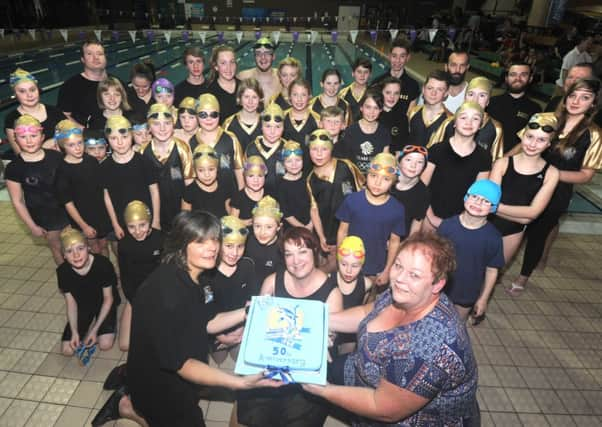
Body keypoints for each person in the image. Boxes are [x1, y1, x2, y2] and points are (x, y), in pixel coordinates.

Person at [91, 211, 280, 427]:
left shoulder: (196, 274)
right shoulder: (168, 294)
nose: (212, 248)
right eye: (200, 242)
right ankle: (126, 406)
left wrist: (249, 311)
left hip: (177, 374)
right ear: (181, 244)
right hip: (159, 386)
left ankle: (126, 405)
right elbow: (183, 364)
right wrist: (239, 382)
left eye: (214, 239)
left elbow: (209, 321)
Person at [303, 232, 478, 426]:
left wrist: (323, 390)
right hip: (364, 369)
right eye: (398, 266)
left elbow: (383, 408)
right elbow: (366, 312)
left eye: (414, 275)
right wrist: (320, 319)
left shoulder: (428, 348)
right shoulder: (408, 294)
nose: (399, 279)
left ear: (438, 284)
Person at [236, 226, 343, 427]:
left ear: (314, 253)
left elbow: (330, 338)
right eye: (289, 254)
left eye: (302, 251)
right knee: (257, 413)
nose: (296, 261)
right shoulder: (272, 282)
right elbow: (260, 328)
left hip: (305, 369)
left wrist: (326, 339)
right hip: (273, 363)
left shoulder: (332, 294)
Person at [510, 80, 602, 295]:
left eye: (584, 97)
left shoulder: (594, 135)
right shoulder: (545, 119)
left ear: (593, 104)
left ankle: (523, 276)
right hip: (526, 182)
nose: (576, 101)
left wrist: (551, 174)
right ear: (565, 96)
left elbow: (586, 175)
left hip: (557, 192)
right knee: (511, 229)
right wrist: (502, 162)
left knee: (537, 236)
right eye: (573, 95)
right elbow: (520, 146)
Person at [489, 114, 559, 266]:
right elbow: (489, 202)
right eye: (530, 137)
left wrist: (496, 208)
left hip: (513, 233)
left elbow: (532, 214)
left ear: (549, 144)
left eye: (541, 140)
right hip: (486, 225)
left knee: (494, 272)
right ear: (522, 136)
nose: (533, 144)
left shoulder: (551, 173)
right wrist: (523, 215)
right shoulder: (502, 163)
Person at [437, 180, 504, 321]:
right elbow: (433, 256)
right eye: (475, 197)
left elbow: (492, 271)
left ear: (493, 208)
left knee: (457, 324)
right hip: (439, 286)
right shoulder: (447, 226)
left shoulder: (493, 237)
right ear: (466, 198)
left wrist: (483, 299)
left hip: (467, 292)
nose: (478, 203)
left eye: (486, 201)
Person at [5, 115, 69, 265]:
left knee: (76, 245)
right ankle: (67, 281)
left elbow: (71, 185)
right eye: (23, 137)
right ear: (15, 139)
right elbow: (17, 201)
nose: (29, 141)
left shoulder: (57, 157)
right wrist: (32, 226)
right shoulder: (14, 168)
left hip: (66, 211)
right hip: (44, 217)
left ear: (42, 137)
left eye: (33, 136)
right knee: (57, 248)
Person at [421, 101, 492, 231]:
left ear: (481, 125)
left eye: (475, 119)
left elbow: (477, 195)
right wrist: (431, 217)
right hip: (429, 217)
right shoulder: (437, 150)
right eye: (463, 117)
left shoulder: (484, 157)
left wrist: (461, 222)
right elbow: (421, 186)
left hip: (461, 222)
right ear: (454, 122)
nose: (468, 123)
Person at [337, 153, 406, 285]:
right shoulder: (352, 200)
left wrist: (387, 270)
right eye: (373, 176)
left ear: (393, 182)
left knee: (370, 299)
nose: (377, 183)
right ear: (366, 175)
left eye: (386, 179)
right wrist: (340, 260)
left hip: (375, 266)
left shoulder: (397, 209)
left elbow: (394, 242)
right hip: (349, 261)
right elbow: (342, 232)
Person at [307, 129, 364, 273]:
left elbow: (363, 192)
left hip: (353, 230)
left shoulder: (346, 166)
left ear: (331, 149)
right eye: (314, 149)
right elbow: (314, 211)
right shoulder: (311, 179)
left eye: (324, 149)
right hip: (329, 235)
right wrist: (321, 237)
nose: (319, 154)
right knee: (329, 270)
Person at [57, 228, 120, 356]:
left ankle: (96, 327)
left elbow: (108, 298)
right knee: (67, 350)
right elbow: (71, 303)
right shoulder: (63, 271)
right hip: (83, 305)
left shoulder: (103, 265)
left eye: (80, 248)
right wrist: (74, 332)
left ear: (88, 248)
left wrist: (95, 330)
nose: (76, 255)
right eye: (69, 251)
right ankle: (85, 328)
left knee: (105, 344)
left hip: (104, 302)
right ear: (63, 255)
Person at [100, 115, 161, 243]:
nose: (120, 142)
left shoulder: (144, 161)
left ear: (132, 135)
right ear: (107, 140)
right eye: (113, 138)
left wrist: (155, 220)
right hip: (122, 223)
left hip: (147, 220)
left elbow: (154, 191)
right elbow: (107, 197)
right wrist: (115, 224)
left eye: (124, 137)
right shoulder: (105, 167)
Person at [55, 120, 110, 256]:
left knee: (103, 245)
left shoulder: (90, 160)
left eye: (80, 143)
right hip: (83, 217)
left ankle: (107, 273)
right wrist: (83, 225)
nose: (78, 148)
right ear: (63, 146)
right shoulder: (62, 170)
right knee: (93, 249)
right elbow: (68, 203)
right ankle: (98, 275)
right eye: (71, 145)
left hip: (100, 212)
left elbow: (102, 189)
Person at [209, 215, 257, 364]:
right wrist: (220, 336)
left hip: (241, 327)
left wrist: (243, 329)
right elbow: (205, 309)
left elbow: (251, 299)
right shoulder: (208, 272)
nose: (234, 253)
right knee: (219, 358)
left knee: (239, 357)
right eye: (228, 246)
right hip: (217, 330)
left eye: (240, 246)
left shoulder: (247, 266)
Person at [139, 103, 194, 231]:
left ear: (173, 125)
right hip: (155, 212)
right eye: (156, 124)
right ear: (149, 127)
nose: (162, 129)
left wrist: (185, 216)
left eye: (167, 123)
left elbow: (190, 185)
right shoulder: (143, 152)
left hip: (180, 209)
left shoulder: (182, 148)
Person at [117, 201, 163, 351]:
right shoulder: (124, 244)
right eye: (132, 226)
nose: (137, 231)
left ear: (149, 223)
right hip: (137, 294)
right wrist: (134, 300)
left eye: (142, 225)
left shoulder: (160, 239)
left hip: (158, 291)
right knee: (125, 345)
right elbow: (125, 277)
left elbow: (168, 273)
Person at [428, 76, 504, 159]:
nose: (475, 100)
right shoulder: (449, 122)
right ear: (465, 98)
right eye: (471, 94)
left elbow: (495, 163)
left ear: (488, 101)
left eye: (482, 95)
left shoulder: (495, 128)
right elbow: (431, 153)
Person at [5, 68, 66, 153]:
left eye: (32, 90)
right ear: (15, 95)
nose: (29, 95)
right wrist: (44, 147)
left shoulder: (54, 111)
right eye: (22, 91)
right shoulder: (12, 119)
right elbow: (20, 154)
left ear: (38, 90)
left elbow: (71, 137)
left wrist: (57, 142)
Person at [329, 236, 372, 354]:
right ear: (337, 262)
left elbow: (362, 308)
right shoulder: (327, 280)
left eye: (355, 266)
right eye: (344, 264)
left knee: (343, 364)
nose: (348, 270)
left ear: (362, 265)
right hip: (330, 331)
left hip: (350, 336)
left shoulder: (366, 284)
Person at [487, 61, 541, 153]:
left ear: (530, 78)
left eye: (523, 75)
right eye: (513, 74)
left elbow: (530, 140)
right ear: (506, 78)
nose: (518, 78)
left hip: (514, 160)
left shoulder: (535, 109)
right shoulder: (491, 102)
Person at [193, 93, 245, 189]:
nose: (209, 119)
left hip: (229, 195)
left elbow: (239, 170)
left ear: (219, 115)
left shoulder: (230, 138)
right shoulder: (191, 141)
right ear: (196, 116)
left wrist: (241, 198)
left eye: (213, 114)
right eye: (203, 115)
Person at [58, 39, 112, 127]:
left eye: (100, 54)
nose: (96, 57)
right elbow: (63, 116)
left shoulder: (115, 81)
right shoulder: (70, 86)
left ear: (105, 57)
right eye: (89, 54)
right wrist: (85, 132)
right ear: (83, 59)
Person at [337, 89, 391, 174]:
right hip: (354, 178)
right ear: (361, 107)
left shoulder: (384, 132)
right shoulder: (350, 131)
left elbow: (385, 161)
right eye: (368, 107)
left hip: (375, 179)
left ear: (381, 110)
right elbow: (344, 161)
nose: (371, 112)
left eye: (376, 108)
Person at [181, 144, 234, 218]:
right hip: (199, 229)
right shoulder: (189, 191)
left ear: (217, 168)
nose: (207, 175)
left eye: (211, 169)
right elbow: (185, 220)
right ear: (195, 170)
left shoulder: (224, 186)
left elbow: (230, 215)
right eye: (201, 170)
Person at [246, 102, 288, 194]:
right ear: (261, 126)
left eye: (277, 127)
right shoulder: (251, 149)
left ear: (284, 127)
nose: (272, 132)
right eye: (268, 126)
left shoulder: (287, 149)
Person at [372, 38, 420, 114]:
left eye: (402, 56)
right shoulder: (377, 82)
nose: (397, 60)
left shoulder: (413, 86)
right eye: (394, 56)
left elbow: (410, 115)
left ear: (408, 58)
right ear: (389, 56)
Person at [391, 145, 430, 236]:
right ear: (399, 162)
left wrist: (406, 246)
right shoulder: (386, 180)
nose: (413, 165)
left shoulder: (423, 193)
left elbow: (416, 223)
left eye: (420, 162)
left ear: (424, 167)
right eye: (408, 160)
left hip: (400, 242)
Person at [407, 70, 452, 148]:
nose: (433, 93)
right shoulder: (413, 112)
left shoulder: (450, 121)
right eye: (430, 88)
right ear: (423, 89)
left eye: (439, 89)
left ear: (446, 93)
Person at [277, 140, 312, 230]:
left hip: (312, 224)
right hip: (292, 229)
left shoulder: (309, 179)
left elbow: (316, 205)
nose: (294, 164)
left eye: (298, 160)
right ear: (283, 164)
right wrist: (304, 228)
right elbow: (286, 213)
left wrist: (311, 225)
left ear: (303, 160)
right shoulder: (280, 185)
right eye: (289, 161)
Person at [223, 78, 264, 150]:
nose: (250, 101)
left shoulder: (266, 123)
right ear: (239, 98)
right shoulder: (229, 124)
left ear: (260, 99)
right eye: (246, 97)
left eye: (254, 97)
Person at [238, 37, 281, 103]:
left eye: (267, 53)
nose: (263, 57)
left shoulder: (282, 78)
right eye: (258, 53)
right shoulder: (243, 77)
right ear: (254, 57)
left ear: (273, 57)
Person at [230, 155, 269, 226]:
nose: (256, 180)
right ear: (244, 176)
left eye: (260, 176)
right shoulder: (238, 197)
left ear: (265, 176)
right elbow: (231, 222)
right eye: (251, 176)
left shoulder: (270, 194)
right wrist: (243, 222)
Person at [283, 78, 321, 147]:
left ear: (309, 97)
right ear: (289, 97)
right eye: (295, 95)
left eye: (303, 95)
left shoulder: (317, 119)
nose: (299, 99)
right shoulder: (282, 117)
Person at [207, 45, 240, 122]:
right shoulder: (208, 92)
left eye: (232, 62)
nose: (229, 67)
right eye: (223, 63)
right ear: (216, 66)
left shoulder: (245, 88)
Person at [378, 77, 409, 154]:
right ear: (381, 92)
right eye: (388, 92)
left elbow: (401, 148)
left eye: (396, 93)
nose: (392, 97)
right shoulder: (371, 114)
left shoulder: (402, 117)